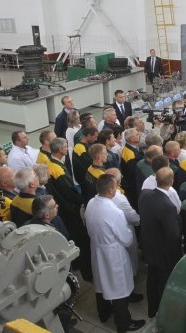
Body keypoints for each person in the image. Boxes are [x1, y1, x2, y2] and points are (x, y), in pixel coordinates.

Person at [84, 175, 146, 333]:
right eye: (116, 187)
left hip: (97, 249)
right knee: (119, 289)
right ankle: (124, 323)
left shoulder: (91, 203)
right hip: (113, 254)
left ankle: (104, 313)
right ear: (111, 190)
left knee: (101, 282)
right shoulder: (114, 211)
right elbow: (126, 239)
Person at [138, 167, 182, 318]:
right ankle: (162, 312)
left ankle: (152, 309)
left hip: (148, 244)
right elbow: (173, 234)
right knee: (164, 279)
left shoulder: (145, 196)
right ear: (171, 181)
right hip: (164, 251)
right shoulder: (168, 206)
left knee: (152, 277)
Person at [46, 137, 92, 281]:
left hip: (66, 208)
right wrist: (80, 200)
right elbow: (69, 191)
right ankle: (85, 268)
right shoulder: (57, 169)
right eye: (65, 147)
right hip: (69, 209)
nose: (67, 149)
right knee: (79, 238)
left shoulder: (54, 164)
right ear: (60, 149)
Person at [120, 128, 143, 209]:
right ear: (131, 139)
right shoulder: (130, 154)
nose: (139, 135)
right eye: (137, 134)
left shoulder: (131, 148)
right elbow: (134, 173)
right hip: (133, 187)